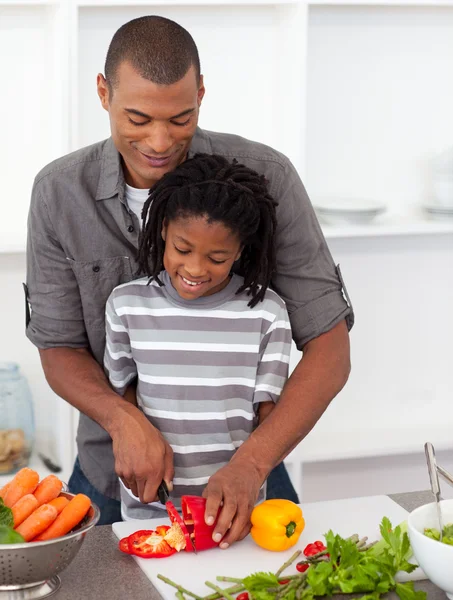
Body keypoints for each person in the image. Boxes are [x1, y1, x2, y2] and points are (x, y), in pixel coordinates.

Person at [25, 15, 353, 538]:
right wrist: (122, 418)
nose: (159, 141)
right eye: (137, 118)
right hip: (111, 479)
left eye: (181, 118)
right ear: (103, 92)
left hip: (246, 482)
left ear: (201, 93)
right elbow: (58, 347)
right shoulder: (59, 193)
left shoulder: (266, 176)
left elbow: (331, 349)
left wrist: (252, 463)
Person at [104, 153, 292, 529]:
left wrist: (250, 473)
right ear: (162, 231)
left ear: (240, 251)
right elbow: (122, 395)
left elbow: (269, 415)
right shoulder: (126, 305)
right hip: (151, 509)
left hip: (232, 510)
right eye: (182, 249)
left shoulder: (266, 313)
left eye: (217, 258)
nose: (194, 269)